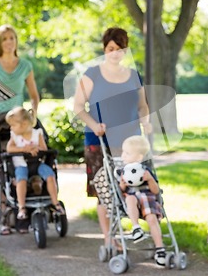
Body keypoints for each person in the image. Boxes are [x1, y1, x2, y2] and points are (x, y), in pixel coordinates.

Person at [73, 27, 152, 248]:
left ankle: (138, 226)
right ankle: (109, 238)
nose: (115, 53)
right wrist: (93, 125)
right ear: (104, 49)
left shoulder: (133, 76)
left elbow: (142, 106)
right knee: (104, 191)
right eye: (110, 49)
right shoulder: (92, 74)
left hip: (129, 143)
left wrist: (146, 121)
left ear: (125, 50)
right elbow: (78, 106)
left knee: (132, 185)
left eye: (119, 49)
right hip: (99, 140)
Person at [0, 24, 40, 235]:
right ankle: (5, 215)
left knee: (27, 163)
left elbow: (34, 95)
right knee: (1, 169)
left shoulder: (25, 65)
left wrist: (34, 114)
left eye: (12, 38)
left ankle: (26, 210)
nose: (9, 42)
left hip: (21, 120)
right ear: (0, 42)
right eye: (5, 39)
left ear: (16, 41)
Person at [5, 106, 65, 233]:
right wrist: (23, 149)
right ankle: (22, 207)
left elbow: (44, 148)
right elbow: (9, 149)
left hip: (37, 164)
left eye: (13, 125)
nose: (11, 128)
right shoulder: (14, 136)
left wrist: (35, 147)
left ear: (24, 124)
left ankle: (55, 203)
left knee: (49, 175)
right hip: (21, 165)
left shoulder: (37, 134)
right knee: (21, 179)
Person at [118, 135, 166, 266]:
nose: (123, 156)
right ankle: (136, 228)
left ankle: (160, 248)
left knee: (152, 219)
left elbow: (156, 191)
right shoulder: (121, 172)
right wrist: (122, 184)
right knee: (130, 199)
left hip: (147, 199)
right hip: (132, 201)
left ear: (139, 157)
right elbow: (119, 192)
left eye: (127, 153)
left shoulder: (146, 170)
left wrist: (150, 179)